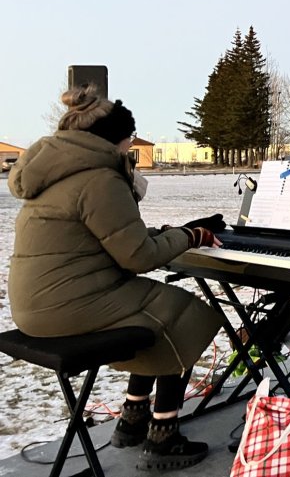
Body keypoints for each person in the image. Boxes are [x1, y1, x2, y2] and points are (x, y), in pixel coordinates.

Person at [7, 86, 223, 471]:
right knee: (181, 312)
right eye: (130, 140)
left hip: (34, 305)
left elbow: (106, 237)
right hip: (66, 305)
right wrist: (191, 236)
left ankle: (132, 418)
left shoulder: (57, 169)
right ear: (115, 140)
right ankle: (163, 438)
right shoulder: (100, 178)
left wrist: (169, 233)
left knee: (148, 311)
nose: (131, 148)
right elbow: (138, 257)